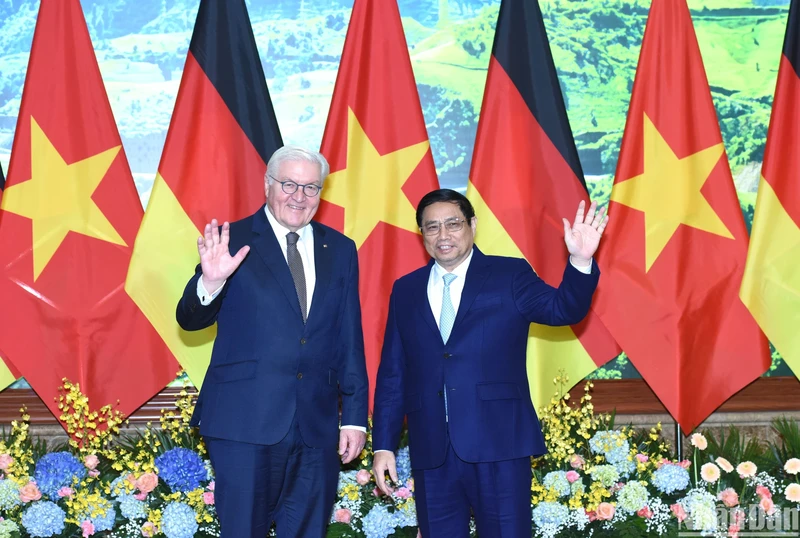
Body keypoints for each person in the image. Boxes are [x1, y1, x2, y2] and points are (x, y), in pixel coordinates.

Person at [371, 188, 608, 536]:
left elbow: (563, 309)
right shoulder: (406, 289)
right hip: (431, 449)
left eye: (453, 224)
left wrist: (581, 262)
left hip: (499, 444)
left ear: (473, 225)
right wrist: (384, 445)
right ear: (421, 234)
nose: (443, 235)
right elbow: (393, 373)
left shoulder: (508, 275)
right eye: (432, 227)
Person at [176, 145, 369, 538]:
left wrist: (352, 416)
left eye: (311, 188)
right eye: (289, 184)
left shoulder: (341, 249)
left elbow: (349, 337)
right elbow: (189, 319)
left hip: (316, 427)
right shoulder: (233, 239)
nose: (299, 196)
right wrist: (210, 282)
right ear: (267, 185)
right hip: (244, 422)